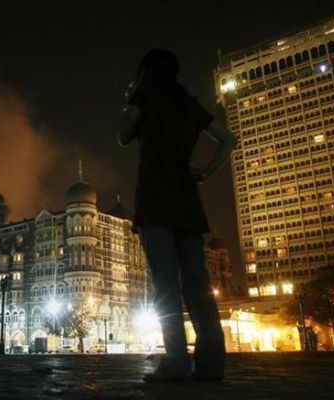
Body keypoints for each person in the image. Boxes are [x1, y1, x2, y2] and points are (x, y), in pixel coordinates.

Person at [118, 49, 236, 382]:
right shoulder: (189, 106)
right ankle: (212, 363)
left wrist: (132, 98)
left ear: (145, 74)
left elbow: (123, 135)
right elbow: (228, 139)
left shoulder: (144, 96)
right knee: (198, 284)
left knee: (166, 284)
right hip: (187, 197)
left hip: (155, 197)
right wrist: (208, 171)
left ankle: (176, 362)